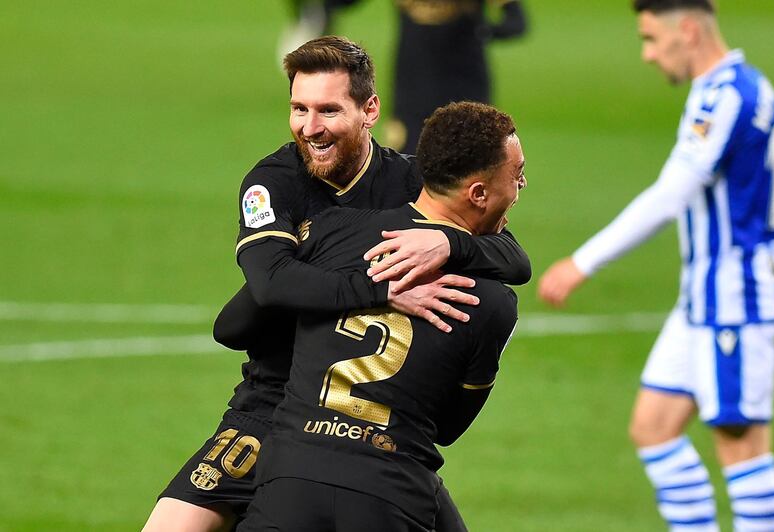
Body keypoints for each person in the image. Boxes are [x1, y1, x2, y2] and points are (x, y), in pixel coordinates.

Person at [142, 37, 531, 532]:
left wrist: (450, 246)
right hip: (271, 402)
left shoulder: (411, 180)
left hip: (369, 421)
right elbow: (269, 284)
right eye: (298, 109)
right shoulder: (274, 182)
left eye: (328, 110)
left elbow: (514, 259)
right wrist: (383, 289)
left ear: (370, 110)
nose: (310, 127)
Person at [538, 1, 774, 531]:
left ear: (690, 31)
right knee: (653, 426)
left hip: (735, 298)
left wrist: (582, 262)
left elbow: (671, 195)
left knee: (742, 451)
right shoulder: (741, 86)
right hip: (703, 297)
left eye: (653, 40)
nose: (649, 56)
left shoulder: (727, 98)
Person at [236, 100, 524, 532]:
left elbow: (234, 326)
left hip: (291, 477)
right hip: (390, 494)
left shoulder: (333, 230)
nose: (521, 183)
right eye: (516, 174)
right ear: (478, 194)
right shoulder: (491, 303)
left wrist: (339, 295)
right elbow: (448, 427)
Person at [386, 0, 528, 153]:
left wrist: (484, 30)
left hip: (464, 88)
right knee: (407, 165)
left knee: (470, 164)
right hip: (412, 90)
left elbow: (516, 22)